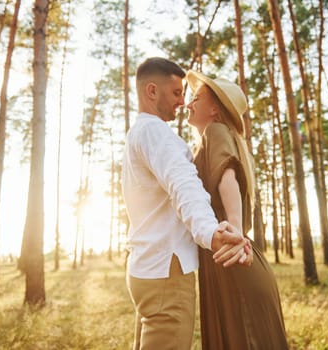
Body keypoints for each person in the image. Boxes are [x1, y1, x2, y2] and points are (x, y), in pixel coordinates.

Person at [122, 57, 251, 350]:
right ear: (152, 91)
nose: (182, 102)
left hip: (146, 269)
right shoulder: (156, 133)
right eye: (177, 93)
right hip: (168, 272)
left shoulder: (138, 133)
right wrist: (211, 234)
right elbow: (184, 185)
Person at [186, 70, 290, 350]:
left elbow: (227, 176)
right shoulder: (206, 143)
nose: (188, 103)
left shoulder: (215, 131)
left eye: (196, 98)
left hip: (233, 257)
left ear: (215, 110)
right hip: (226, 260)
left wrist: (235, 231)